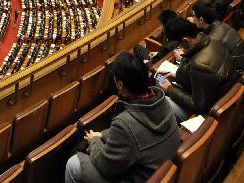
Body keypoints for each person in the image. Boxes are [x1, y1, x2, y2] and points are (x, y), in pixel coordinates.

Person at [65, 52, 180, 183]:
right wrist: (102, 135)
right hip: (163, 171)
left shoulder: (124, 123)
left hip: (142, 177)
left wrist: (94, 141)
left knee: (73, 164)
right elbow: (133, 135)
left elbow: (105, 166)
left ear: (120, 84)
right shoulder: (161, 100)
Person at [157, 16, 236, 120]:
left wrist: (169, 89)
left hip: (206, 113)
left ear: (185, 41)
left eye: (178, 44)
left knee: (159, 100)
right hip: (220, 97)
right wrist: (177, 77)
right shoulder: (213, 40)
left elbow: (199, 106)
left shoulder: (199, 65)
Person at [189, 1, 244, 72]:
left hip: (236, 72)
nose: (192, 17)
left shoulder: (212, 40)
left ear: (201, 19)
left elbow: (207, 63)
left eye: (194, 15)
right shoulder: (224, 25)